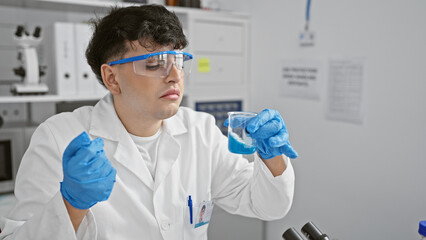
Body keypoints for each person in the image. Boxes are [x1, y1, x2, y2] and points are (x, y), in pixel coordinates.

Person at [0, 4, 298, 240]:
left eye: (179, 61)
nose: (173, 76)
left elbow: (266, 204)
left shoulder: (200, 131)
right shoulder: (59, 137)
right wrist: (71, 205)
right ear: (111, 78)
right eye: (153, 64)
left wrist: (272, 159)